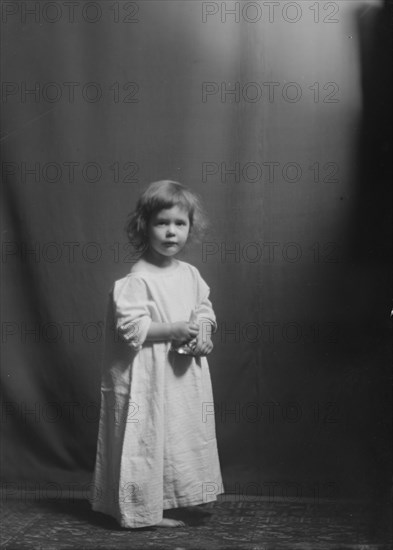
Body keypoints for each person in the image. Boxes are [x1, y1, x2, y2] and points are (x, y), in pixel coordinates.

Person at [90, 180, 223, 528]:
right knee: (147, 436)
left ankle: (171, 499)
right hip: (147, 375)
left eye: (179, 224)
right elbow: (132, 328)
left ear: (190, 229)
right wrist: (174, 329)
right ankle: (142, 510)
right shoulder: (137, 279)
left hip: (180, 374)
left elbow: (204, 310)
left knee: (176, 434)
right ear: (143, 226)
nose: (171, 232)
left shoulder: (190, 275)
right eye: (162, 223)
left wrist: (204, 334)